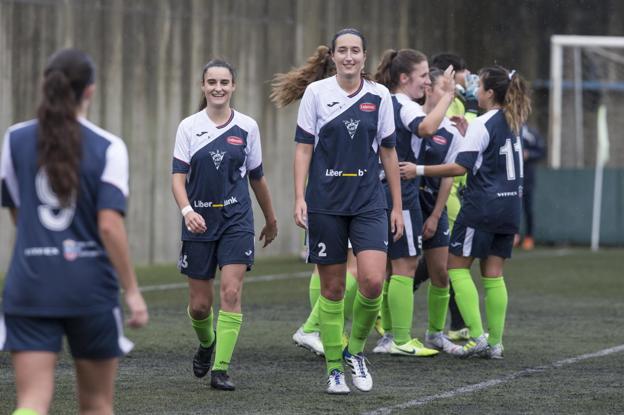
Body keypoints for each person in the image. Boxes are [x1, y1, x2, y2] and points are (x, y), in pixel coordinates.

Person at [0, 48, 148, 415]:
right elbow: (109, 226)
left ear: (44, 85)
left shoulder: (15, 138)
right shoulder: (109, 147)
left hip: (30, 283)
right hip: (89, 288)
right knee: (96, 404)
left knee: (32, 401)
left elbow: (18, 213)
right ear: (90, 91)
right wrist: (132, 291)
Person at [272, 27, 404, 394]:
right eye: (342, 51)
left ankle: (356, 352)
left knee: (373, 281)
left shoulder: (380, 97)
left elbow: (389, 153)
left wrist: (396, 205)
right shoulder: (316, 93)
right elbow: (303, 149)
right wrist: (300, 197)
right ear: (332, 56)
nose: (349, 57)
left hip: (368, 202)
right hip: (326, 204)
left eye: (355, 51)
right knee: (331, 290)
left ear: (365, 56)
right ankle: (333, 369)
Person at [407, 65, 531, 359]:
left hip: (482, 207)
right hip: (511, 206)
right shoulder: (513, 121)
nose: (476, 91)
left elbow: (459, 167)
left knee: (456, 268)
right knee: (494, 274)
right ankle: (496, 343)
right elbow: (489, 155)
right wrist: (466, 133)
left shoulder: (483, 123)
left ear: (489, 93)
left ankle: (478, 337)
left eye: (480, 87)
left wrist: (418, 169)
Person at [172, 59, 278, 391]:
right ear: (203, 87)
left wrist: (270, 218)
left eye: (224, 82)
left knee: (231, 291)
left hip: (237, 220)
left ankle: (221, 368)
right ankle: (207, 344)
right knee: (201, 305)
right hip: (199, 222)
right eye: (212, 82)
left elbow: (257, 178)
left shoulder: (248, 127)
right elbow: (177, 179)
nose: (218, 88)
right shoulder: (188, 126)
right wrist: (188, 210)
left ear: (233, 86)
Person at [372, 49, 457, 357]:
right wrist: (447, 96)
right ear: (404, 78)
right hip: (401, 192)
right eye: (423, 75)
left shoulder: (389, 102)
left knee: (385, 270)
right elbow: (424, 128)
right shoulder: (402, 104)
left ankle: (388, 337)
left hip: (383, 189)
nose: (426, 81)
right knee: (405, 264)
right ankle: (399, 339)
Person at [516, 124, 545, 250]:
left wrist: (529, 154)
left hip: (527, 178)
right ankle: (513, 236)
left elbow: (541, 152)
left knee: (528, 208)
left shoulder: (531, 133)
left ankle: (529, 237)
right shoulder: (507, 129)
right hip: (512, 178)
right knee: (513, 208)